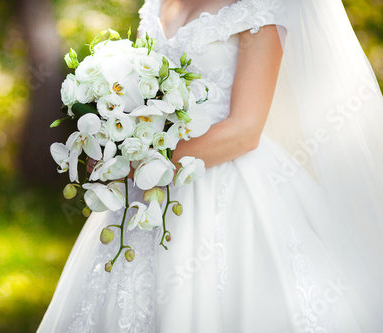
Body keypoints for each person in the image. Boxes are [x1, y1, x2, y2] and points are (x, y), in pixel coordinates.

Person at [37, 0, 383, 331]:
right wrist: (114, 136)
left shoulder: (257, 8)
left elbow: (245, 130)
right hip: (145, 182)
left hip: (226, 179)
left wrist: (139, 163)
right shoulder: (157, 3)